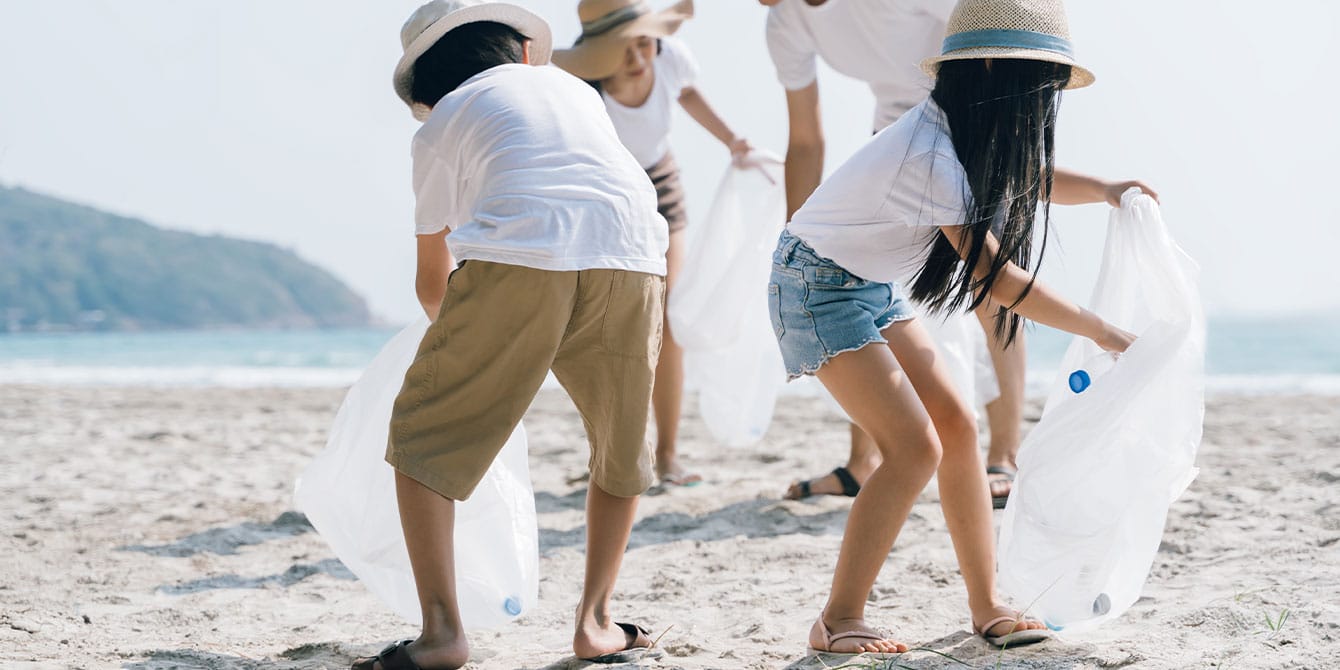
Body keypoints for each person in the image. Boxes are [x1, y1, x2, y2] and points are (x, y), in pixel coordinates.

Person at [766, 0, 1152, 653]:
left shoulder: (967, 135)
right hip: (814, 288)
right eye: (1041, 82)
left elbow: (1037, 178)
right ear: (997, 70)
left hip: (864, 284)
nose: (1045, 100)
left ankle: (986, 604)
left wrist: (1113, 190)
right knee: (914, 447)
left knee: (958, 427)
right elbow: (998, 280)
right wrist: (1103, 332)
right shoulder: (933, 152)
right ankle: (837, 619)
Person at [354, 2, 668, 667]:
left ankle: (442, 634)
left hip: (522, 256)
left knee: (421, 438)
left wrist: (462, 353)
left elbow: (433, 277)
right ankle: (596, 623)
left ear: (427, 84)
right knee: (620, 449)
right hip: (636, 254)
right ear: (523, 50)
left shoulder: (442, 124)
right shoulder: (573, 92)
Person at [553, 0, 760, 488]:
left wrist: (733, 139)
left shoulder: (670, 57)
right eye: (626, 48)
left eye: (646, 41)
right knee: (605, 323)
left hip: (661, 183)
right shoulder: (581, 88)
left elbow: (687, 95)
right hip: (603, 192)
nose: (641, 57)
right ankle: (609, 454)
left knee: (666, 316)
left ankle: (667, 455)